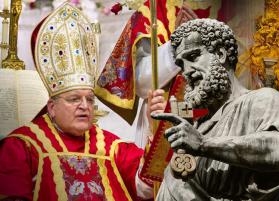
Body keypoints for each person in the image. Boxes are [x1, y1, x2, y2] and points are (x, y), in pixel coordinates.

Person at [0, 3, 164, 201]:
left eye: (89, 99)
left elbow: (146, 188)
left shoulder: (111, 147)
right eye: (74, 99)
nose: (85, 106)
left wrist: (155, 128)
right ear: (51, 107)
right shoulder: (23, 146)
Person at [151, 18, 279, 201]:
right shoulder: (197, 127)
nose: (186, 71)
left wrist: (204, 145)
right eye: (182, 65)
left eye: (193, 57)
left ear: (220, 54)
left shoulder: (260, 100)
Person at [95, 0, 222, 148]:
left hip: (223, 120)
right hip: (163, 118)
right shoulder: (155, 8)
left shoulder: (242, 8)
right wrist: (179, 44)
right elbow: (141, 84)